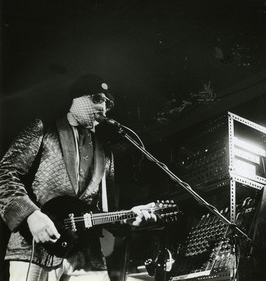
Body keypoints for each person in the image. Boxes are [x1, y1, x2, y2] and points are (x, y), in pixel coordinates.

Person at [0, 74, 157, 280]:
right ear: (76, 98)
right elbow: (5, 173)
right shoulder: (43, 129)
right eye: (96, 99)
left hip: (85, 253)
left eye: (107, 104)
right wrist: (30, 214)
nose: (103, 108)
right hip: (35, 246)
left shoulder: (105, 155)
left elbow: (101, 212)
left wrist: (128, 218)